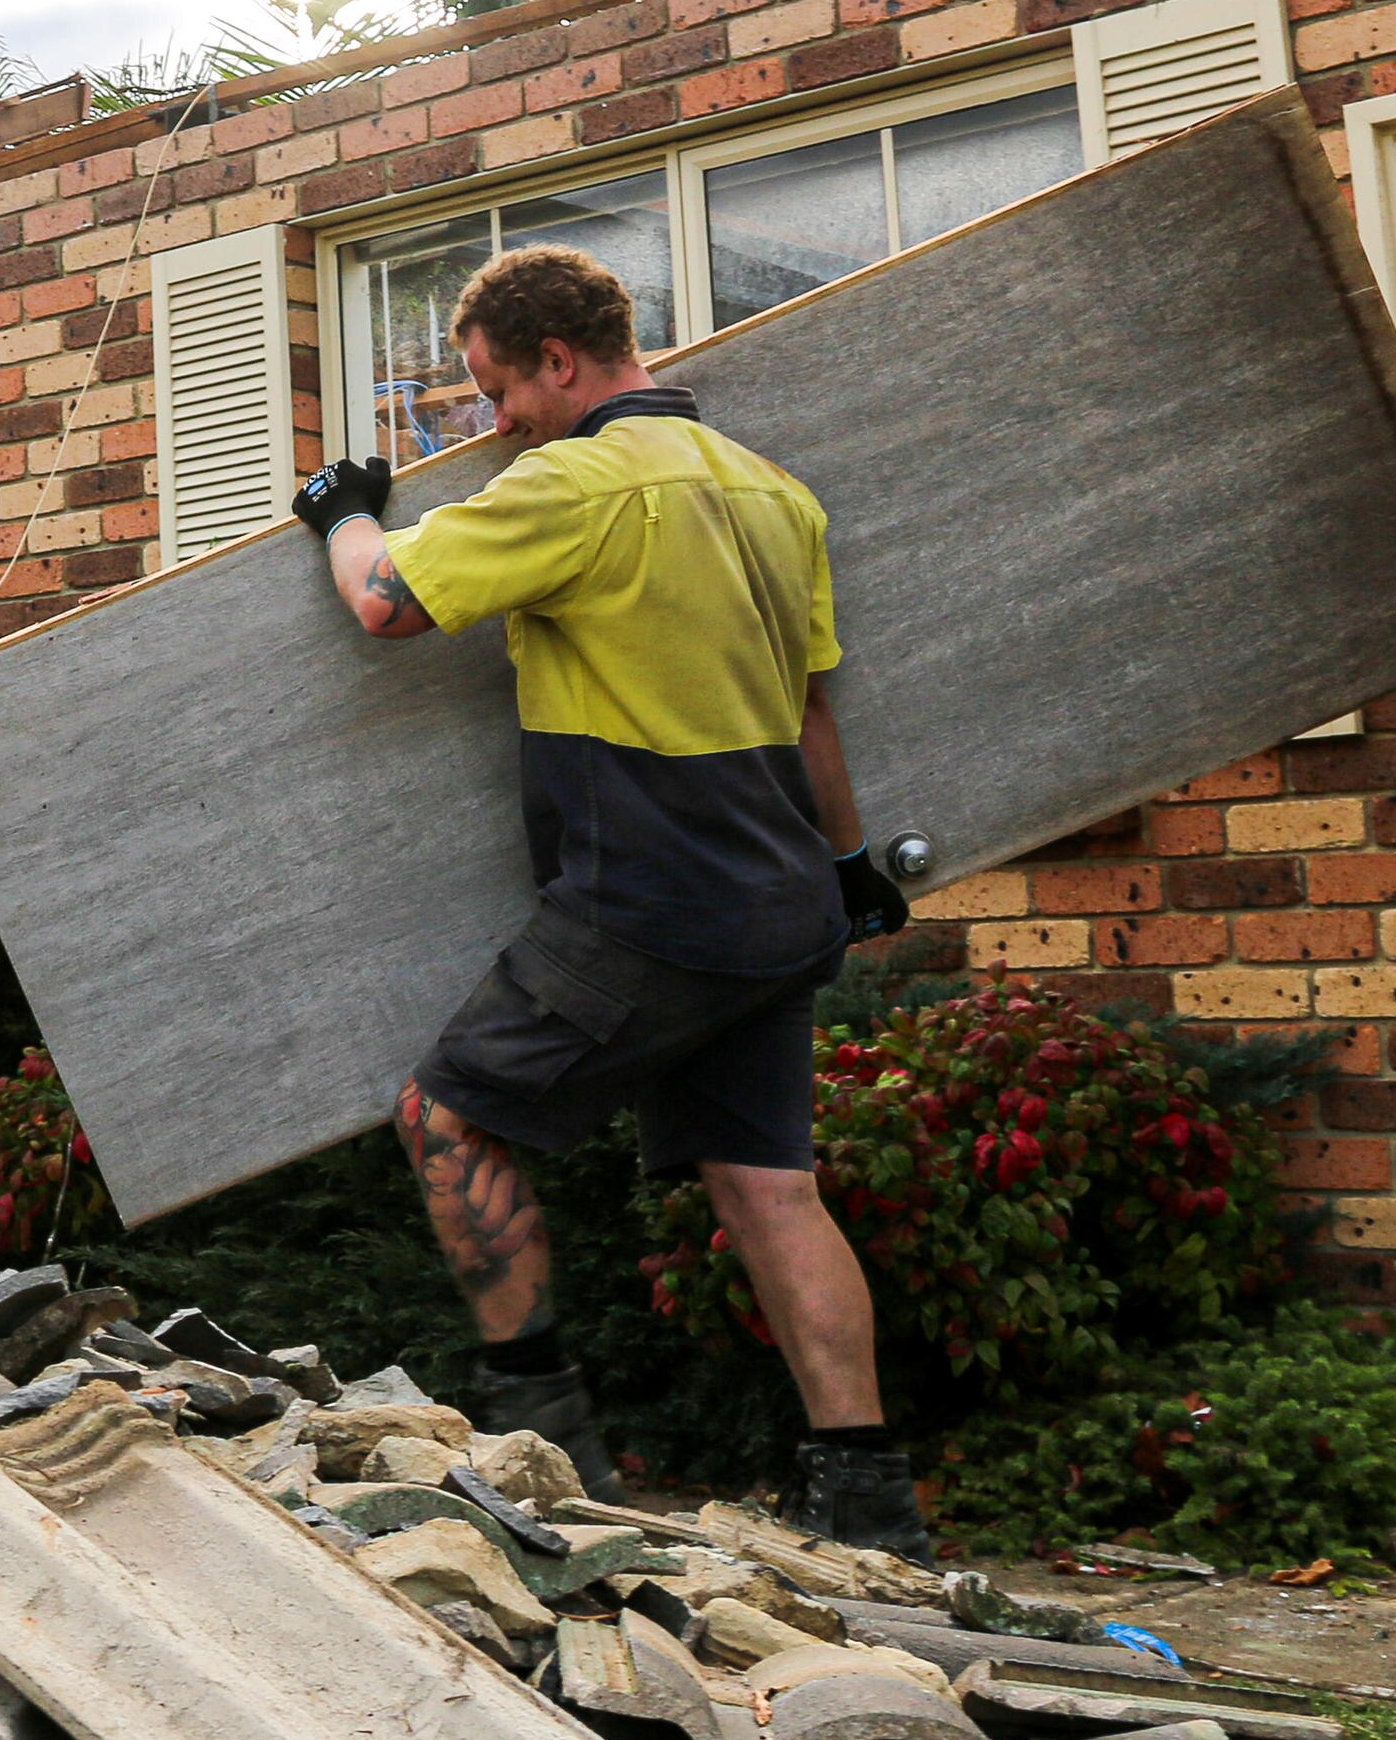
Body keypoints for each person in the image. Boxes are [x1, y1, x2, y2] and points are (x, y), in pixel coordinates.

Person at [290, 242, 930, 1558]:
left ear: (559, 362)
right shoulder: (772, 492)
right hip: (777, 896)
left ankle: (548, 1440)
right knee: (768, 1187)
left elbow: (386, 601)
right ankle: (868, 1497)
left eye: (494, 391)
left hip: (651, 897)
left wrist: (348, 508)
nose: (492, 421)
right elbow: (815, 708)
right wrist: (850, 867)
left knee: (445, 1116)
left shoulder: (575, 482)